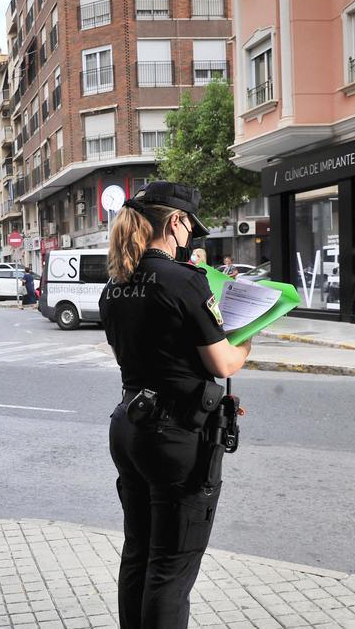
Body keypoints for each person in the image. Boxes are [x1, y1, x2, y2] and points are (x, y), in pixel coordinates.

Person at [100, 181, 253, 628]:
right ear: (176, 222)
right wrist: (249, 335)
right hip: (175, 436)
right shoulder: (184, 280)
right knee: (171, 565)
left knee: (139, 553)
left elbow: (134, 358)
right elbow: (223, 362)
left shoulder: (116, 285)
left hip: (129, 424)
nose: (191, 239)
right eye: (190, 229)